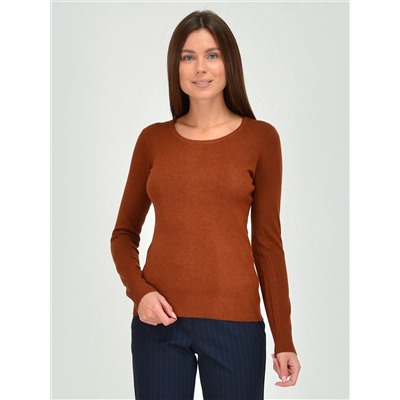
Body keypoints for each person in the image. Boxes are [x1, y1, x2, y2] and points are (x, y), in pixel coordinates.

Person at [110, 9, 300, 400]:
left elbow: (267, 243)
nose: (201, 67)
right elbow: (123, 234)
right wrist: (140, 293)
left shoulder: (261, 139)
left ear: (230, 62)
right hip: (159, 324)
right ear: (175, 66)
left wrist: (284, 338)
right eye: (188, 56)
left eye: (212, 55)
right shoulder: (153, 141)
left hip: (236, 325)